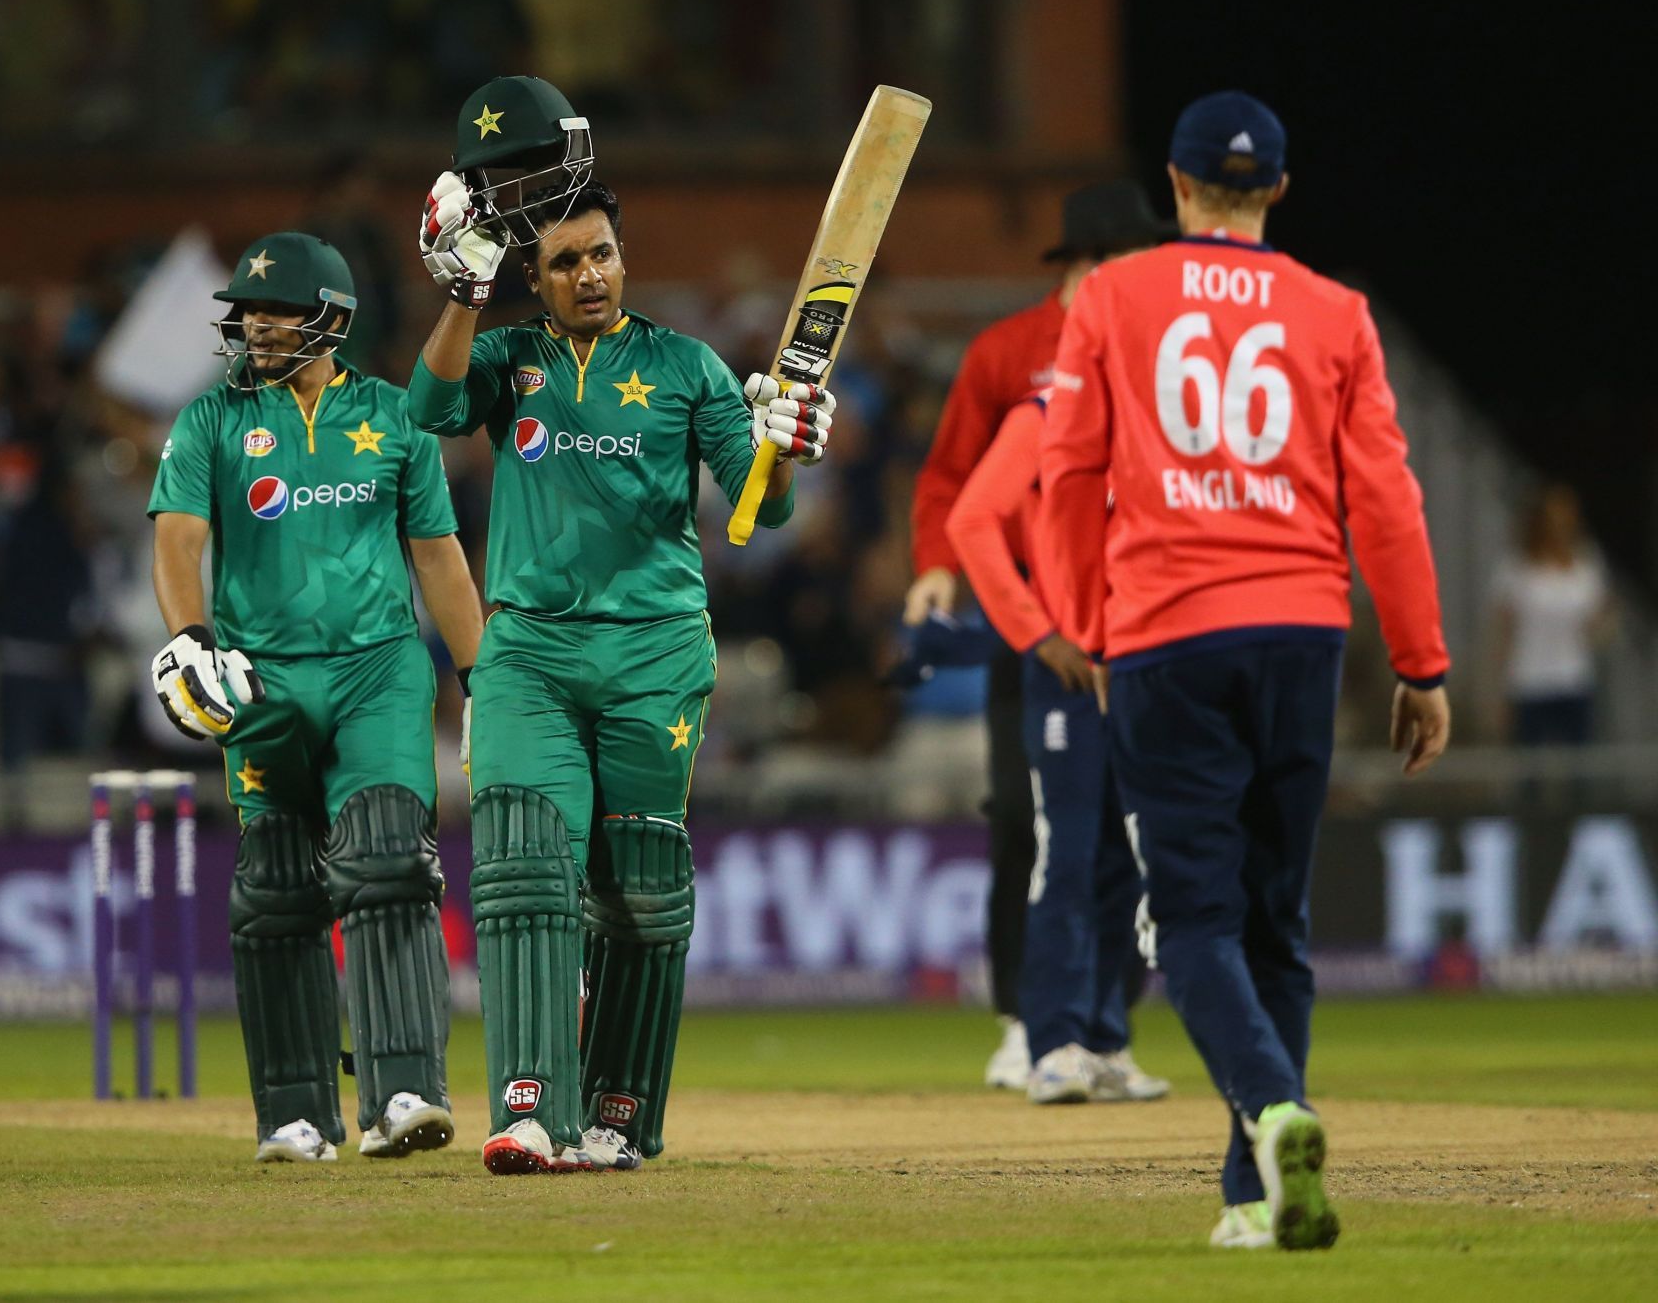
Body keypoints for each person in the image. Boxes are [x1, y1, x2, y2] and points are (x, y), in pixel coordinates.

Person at [1037, 91, 1452, 1250]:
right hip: (1302, 632)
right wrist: (1420, 661)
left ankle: (1275, 1115)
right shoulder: (1338, 313)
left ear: (1174, 187)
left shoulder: (1115, 295)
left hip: (1170, 628)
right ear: (1276, 189)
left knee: (1200, 922)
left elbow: (1067, 476)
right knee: (1279, 922)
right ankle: (1256, 1192)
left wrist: (1087, 627)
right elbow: (1386, 497)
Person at [408, 75, 832, 1174]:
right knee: (523, 870)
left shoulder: (687, 367)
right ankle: (528, 1104)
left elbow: (762, 510)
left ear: (622, 258)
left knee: (641, 900)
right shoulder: (510, 360)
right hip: (532, 654)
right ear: (534, 278)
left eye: (600, 255)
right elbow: (427, 410)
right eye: (562, 263)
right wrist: (463, 294)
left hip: (654, 654)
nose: (587, 276)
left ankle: (620, 1114)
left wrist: (781, 434)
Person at [147, 231, 485, 1165]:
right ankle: (295, 1113)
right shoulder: (210, 421)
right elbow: (178, 543)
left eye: (277, 310)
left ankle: (404, 1089)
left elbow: (439, 559)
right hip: (261, 681)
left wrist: (483, 680)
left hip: (378, 671)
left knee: (388, 868)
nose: (255, 325)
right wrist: (188, 641)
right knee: (277, 893)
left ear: (331, 318)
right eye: (248, 310)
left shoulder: (392, 416)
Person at [905, 181, 1170, 1089]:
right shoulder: (1011, 356)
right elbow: (953, 483)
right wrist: (939, 564)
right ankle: (1030, 1018)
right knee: (1029, 822)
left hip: (1127, 634)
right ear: (1093, 265)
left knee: (1121, 839)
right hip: (1033, 623)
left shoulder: (1152, 357)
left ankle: (1104, 1026)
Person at [946, 387, 1169, 1107]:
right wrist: (1037, 633)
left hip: (1139, 667)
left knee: (1124, 862)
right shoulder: (1043, 415)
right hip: (1068, 677)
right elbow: (973, 519)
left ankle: (1105, 1040)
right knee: (1067, 854)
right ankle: (1052, 1043)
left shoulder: (1157, 412)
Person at [1491, 484, 1614, 745]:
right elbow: (1504, 632)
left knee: (1579, 769)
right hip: (1529, 681)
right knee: (1529, 771)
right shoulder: (1517, 567)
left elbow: (1600, 617)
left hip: (1573, 678)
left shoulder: (1587, 563)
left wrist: (1604, 625)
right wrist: (1498, 690)